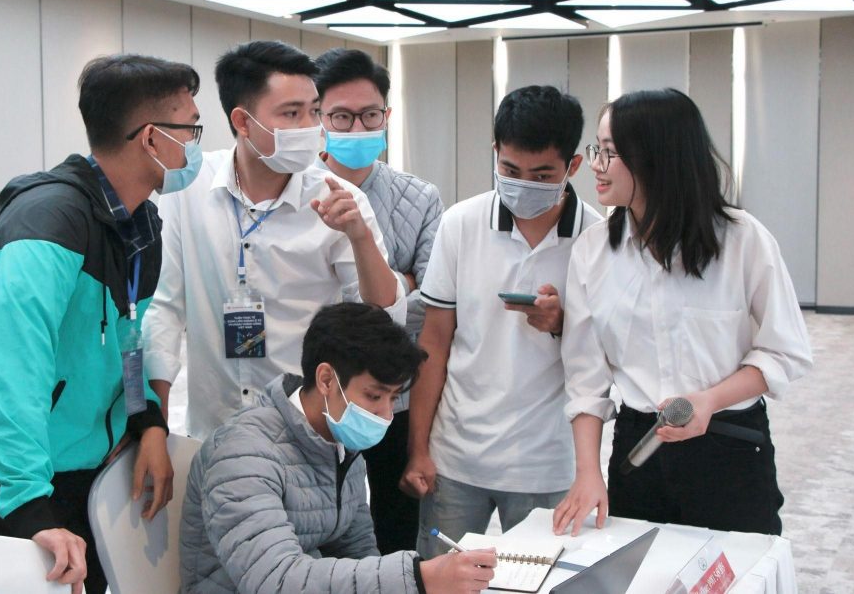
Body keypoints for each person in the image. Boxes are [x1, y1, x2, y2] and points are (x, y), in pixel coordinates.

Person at [0, 54, 203, 593]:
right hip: (4, 477)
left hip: (82, 467)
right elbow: (11, 375)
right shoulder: (47, 226)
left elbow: (127, 342)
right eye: (190, 129)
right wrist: (30, 507)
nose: (196, 145)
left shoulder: (140, 225)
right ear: (151, 139)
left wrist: (147, 421)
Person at [552, 88, 813, 538]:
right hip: (640, 450)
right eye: (597, 149)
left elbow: (784, 351)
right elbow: (585, 378)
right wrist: (588, 472)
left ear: (657, 156)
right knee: (640, 568)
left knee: (735, 570)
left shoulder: (742, 240)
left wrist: (709, 400)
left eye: (610, 152)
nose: (596, 164)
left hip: (729, 446)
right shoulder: (593, 251)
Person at [143, 40, 404, 440]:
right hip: (213, 429)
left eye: (314, 111)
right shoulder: (190, 189)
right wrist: (154, 426)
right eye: (291, 113)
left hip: (303, 433)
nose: (310, 127)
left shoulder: (339, 199)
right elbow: (164, 308)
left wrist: (360, 238)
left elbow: (384, 321)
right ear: (243, 122)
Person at [400, 86, 603, 559]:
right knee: (441, 579)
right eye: (510, 170)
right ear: (495, 152)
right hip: (456, 459)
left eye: (541, 175)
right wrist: (418, 449)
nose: (522, 185)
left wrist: (562, 324)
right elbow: (434, 345)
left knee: (545, 581)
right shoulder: (461, 224)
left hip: (548, 464)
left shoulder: (598, 238)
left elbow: (605, 360)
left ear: (572, 166)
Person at [180, 302, 497, 594]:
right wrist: (417, 576)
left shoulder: (340, 443)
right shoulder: (243, 455)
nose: (386, 415)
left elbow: (359, 553)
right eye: (374, 396)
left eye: (393, 398)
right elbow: (277, 581)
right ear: (326, 380)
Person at [314, 47, 444, 553]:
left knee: (395, 532)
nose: (357, 127)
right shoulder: (297, 193)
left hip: (395, 396)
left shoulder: (421, 197)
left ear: (387, 116)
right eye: (341, 117)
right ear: (319, 118)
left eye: (369, 115)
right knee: (321, 530)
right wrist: (397, 281)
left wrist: (399, 291)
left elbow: (430, 305)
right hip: (319, 399)